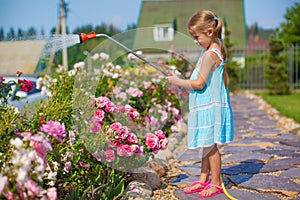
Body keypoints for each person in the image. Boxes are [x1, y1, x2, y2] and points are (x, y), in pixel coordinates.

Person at [166, 10, 234, 198]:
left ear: (210, 32)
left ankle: (216, 182)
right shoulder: (213, 50)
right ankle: (203, 179)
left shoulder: (210, 55)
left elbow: (199, 83)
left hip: (209, 108)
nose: (195, 41)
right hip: (207, 106)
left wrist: (177, 81)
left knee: (211, 147)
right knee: (206, 143)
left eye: (197, 37)